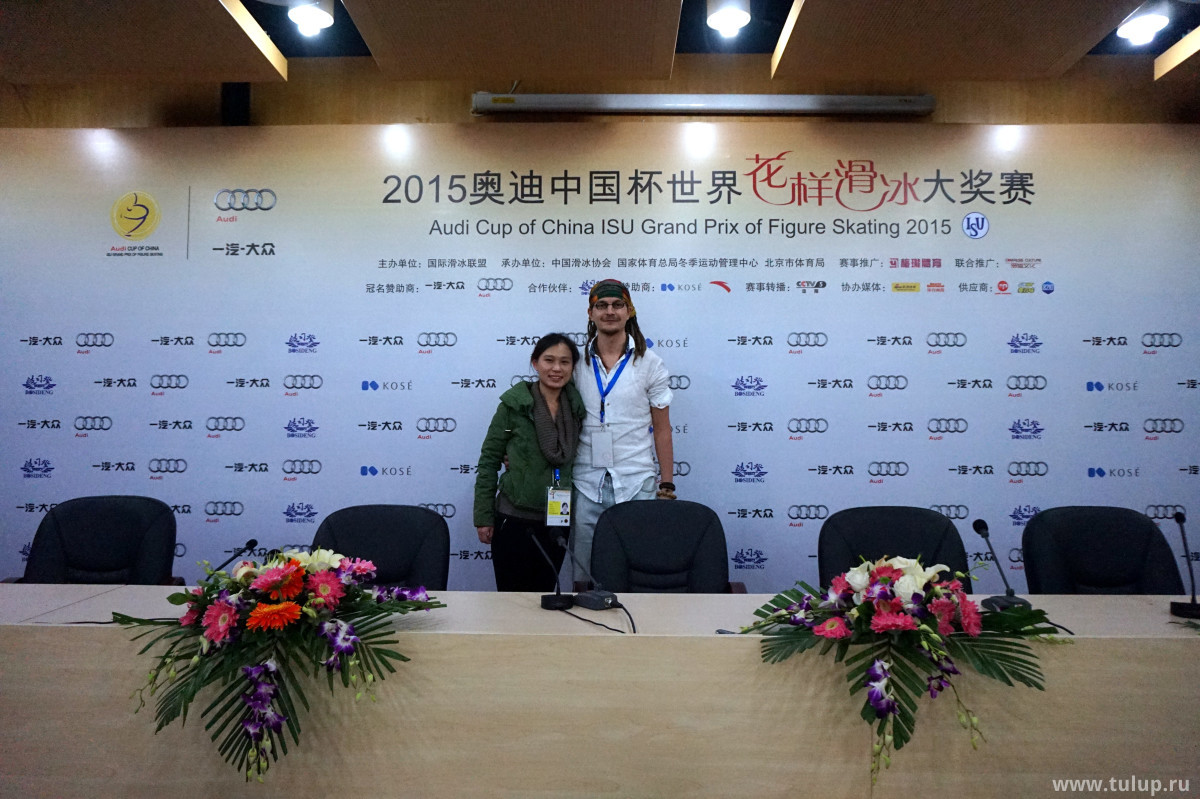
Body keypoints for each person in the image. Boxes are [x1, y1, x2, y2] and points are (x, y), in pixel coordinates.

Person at [570, 279, 675, 583]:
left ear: (629, 311)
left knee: (637, 570)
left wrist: (667, 484)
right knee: (584, 575)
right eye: (602, 305)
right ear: (591, 313)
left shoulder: (650, 363)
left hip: (636, 481)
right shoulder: (575, 363)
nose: (610, 311)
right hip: (585, 482)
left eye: (618, 305)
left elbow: (662, 429)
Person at [474, 333, 585, 592]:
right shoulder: (513, 408)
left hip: (557, 520)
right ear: (535, 363)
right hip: (513, 519)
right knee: (512, 601)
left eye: (565, 362)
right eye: (549, 360)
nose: (556, 368)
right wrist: (483, 516)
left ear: (573, 367)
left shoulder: (577, 408)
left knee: (546, 597)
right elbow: (489, 460)